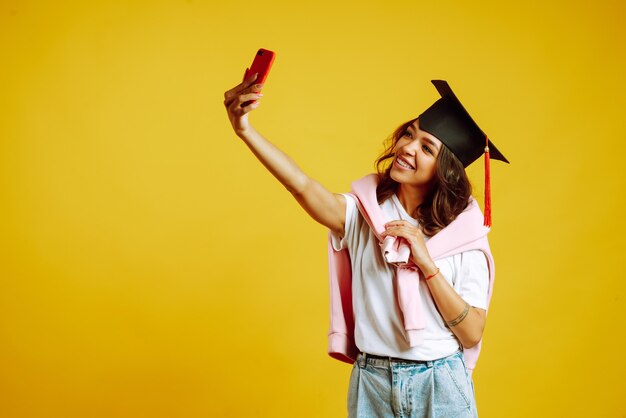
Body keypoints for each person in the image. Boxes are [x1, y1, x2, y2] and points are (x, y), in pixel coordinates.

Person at [223, 73, 508, 418]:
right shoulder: (362, 214)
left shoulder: (464, 235)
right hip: (373, 379)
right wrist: (245, 130)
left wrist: (427, 264)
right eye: (409, 133)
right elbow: (300, 185)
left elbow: (472, 332)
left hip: (440, 381)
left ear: (445, 171)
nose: (406, 148)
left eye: (426, 147)